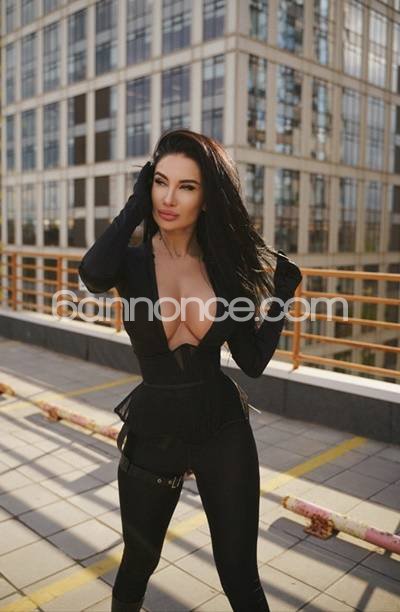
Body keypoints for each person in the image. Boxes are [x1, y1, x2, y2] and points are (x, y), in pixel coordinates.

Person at [78, 129, 302, 612]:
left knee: (240, 577)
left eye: (186, 186)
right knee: (138, 564)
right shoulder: (130, 263)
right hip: (154, 427)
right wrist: (135, 205)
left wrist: (282, 296)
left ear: (207, 197)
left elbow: (252, 362)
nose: (168, 198)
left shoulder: (226, 269)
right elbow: (93, 274)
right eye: (160, 182)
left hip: (222, 427)